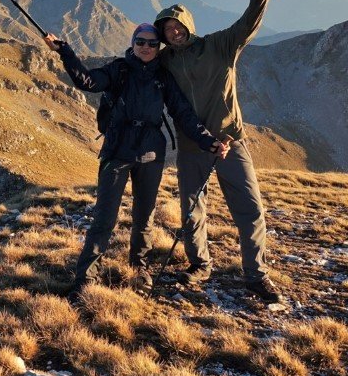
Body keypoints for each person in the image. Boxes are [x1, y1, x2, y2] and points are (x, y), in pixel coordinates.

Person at [45, 24, 228, 298]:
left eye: (153, 43)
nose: (146, 47)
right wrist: (65, 52)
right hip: (117, 150)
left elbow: (183, 114)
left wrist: (208, 141)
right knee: (104, 217)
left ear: (159, 48)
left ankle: (139, 268)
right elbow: (87, 81)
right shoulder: (119, 70)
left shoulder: (163, 78)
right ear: (132, 43)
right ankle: (86, 277)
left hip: (151, 153)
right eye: (141, 42)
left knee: (144, 217)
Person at [153, 0, 281, 302]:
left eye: (177, 26)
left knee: (250, 209)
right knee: (192, 209)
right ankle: (199, 265)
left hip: (229, 142)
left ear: (187, 25)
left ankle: (256, 274)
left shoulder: (220, 45)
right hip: (193, 145)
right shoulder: (165, 61)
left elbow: (250, 20)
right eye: (167, 29)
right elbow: (136, 64)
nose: (173, 32)